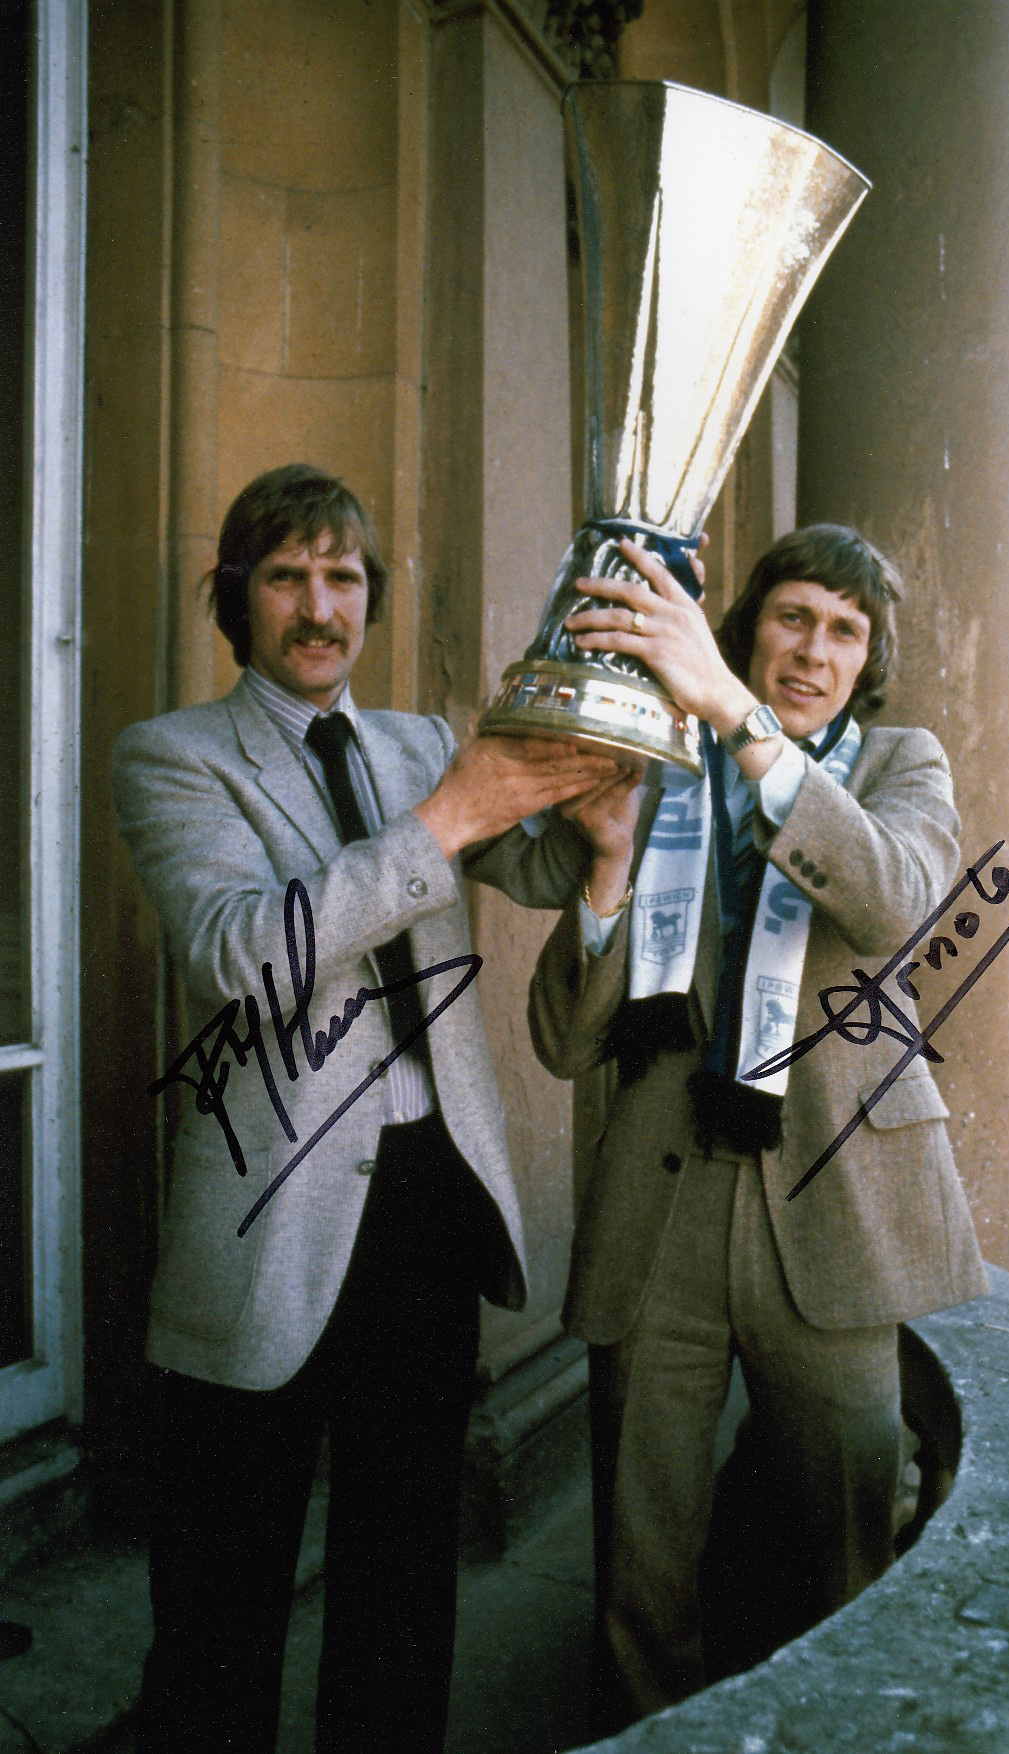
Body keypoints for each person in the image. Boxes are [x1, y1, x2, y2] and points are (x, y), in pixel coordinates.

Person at [110, 463, 621, 1753]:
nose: (320, 605)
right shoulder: (171, 757)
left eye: (343, 576)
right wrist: (445, 820)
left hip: (431, 1197)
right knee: (223, 1593)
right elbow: (242, 956)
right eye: (287, 575)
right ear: (238, 599)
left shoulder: (412, 741)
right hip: (269, 1218)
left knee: (401, 1576)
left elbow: (536, 861)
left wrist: (602, 832)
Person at [527, 524, 988, 1723]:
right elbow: (563, 1041)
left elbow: (889, 898)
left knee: (842, 1556)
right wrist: (608, 867)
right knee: (638, 1573)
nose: (813, 648)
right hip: (660, 1210)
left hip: (832, 1211)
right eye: (791, 616)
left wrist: (739, 721)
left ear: (866, 658)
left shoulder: (901, 762)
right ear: (746, 626)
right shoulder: (661, 767)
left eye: (844, 630)